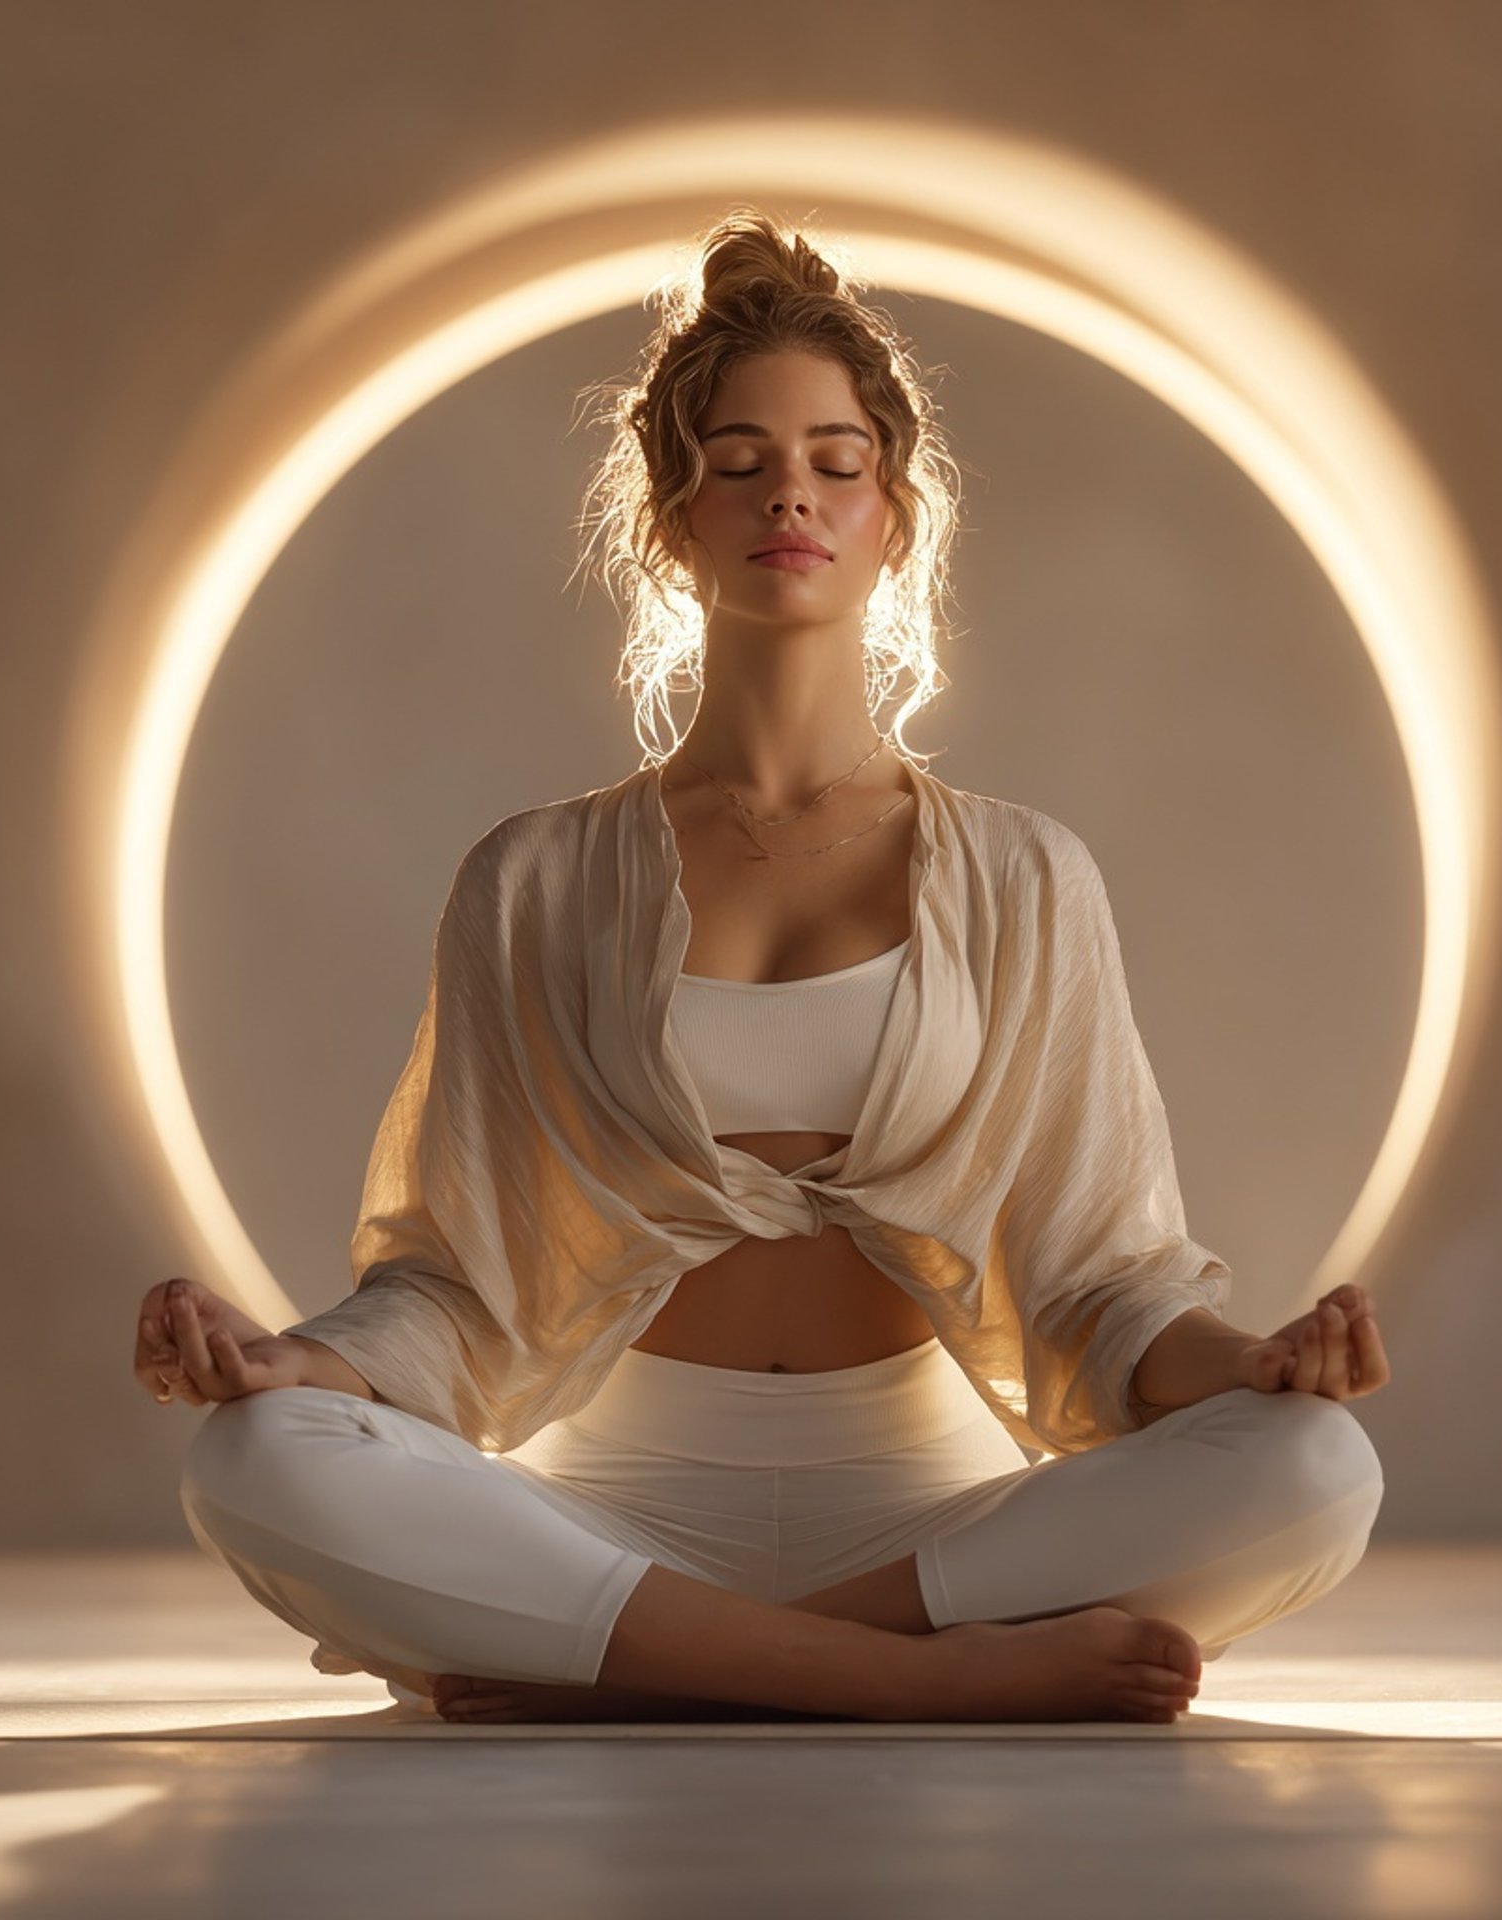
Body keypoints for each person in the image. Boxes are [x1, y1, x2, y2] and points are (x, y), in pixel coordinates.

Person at [130, 210, 1389, 1727]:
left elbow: (1103, 1286)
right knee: (255, 1464)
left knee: (1315, 1468)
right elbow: (454, 1290)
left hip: (935, 1528)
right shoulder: (531, 881)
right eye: (737, 460)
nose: (788, 486)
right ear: (672, 520)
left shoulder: (1027, 876)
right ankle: (897, 1686)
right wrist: (282, 1366)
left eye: (835, 459)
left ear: (894, 516)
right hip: (608, 1515)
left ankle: (651, 1666)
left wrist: (1260, 1361)